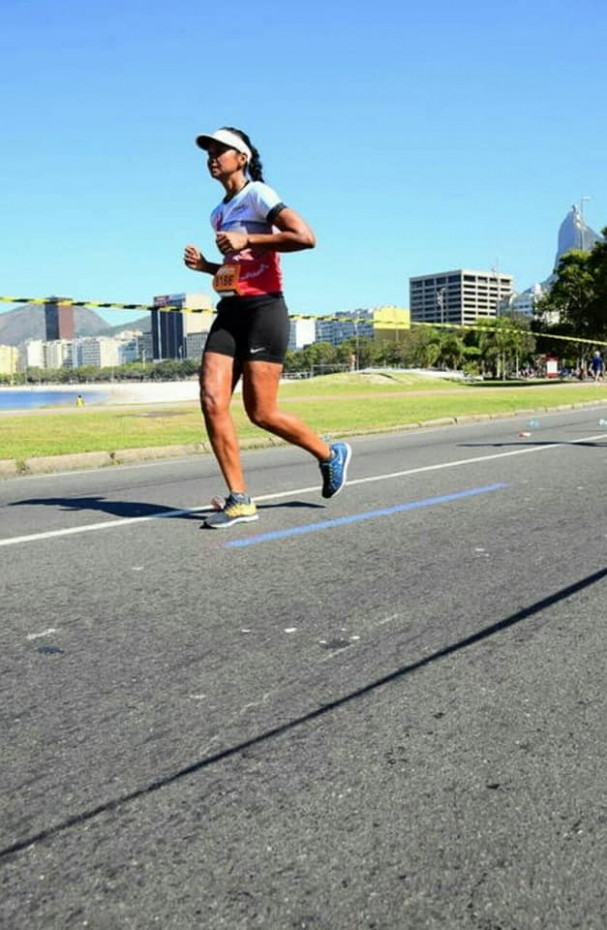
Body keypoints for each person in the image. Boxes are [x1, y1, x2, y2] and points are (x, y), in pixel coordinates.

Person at [183, 126, 351, 528]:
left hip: (265, 311)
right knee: (211, 399)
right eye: (208, 151)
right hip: (231, 310)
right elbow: (233, 271)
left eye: (220, 150)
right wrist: (208, 266)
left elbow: (305, 237)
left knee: (262, 412)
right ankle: (239, 499)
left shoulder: (260, 194)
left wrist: (250, 240)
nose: (212, 157)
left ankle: (329, 454)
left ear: (241, 158)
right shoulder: (218, 212)